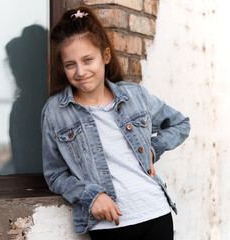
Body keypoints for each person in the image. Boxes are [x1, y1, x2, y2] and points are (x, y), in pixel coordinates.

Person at [41, 6, 190, 240]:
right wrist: (90, 196)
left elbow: (181, 124)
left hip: (156, 213)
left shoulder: (134, 96)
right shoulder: (55, 111)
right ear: (62, 67)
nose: (81, 71)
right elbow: (55, 175)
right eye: (70, 64)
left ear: (106, 56)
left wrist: (153, 149)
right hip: (110, 224)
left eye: (88, 59)